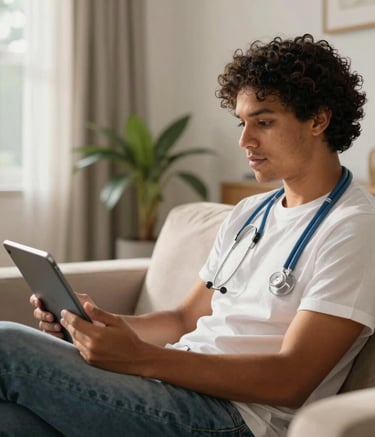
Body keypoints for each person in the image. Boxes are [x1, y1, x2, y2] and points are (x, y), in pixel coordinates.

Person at [0, 33, 374, 437]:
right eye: (243, 123)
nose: (245, 141)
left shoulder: (353, 226)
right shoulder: (251, 211)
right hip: (175, 388)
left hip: (235, 419)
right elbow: (183, 319)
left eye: (264, 122)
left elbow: (291, 379)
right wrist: (99, 327)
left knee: (5, 346)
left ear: (319, 120)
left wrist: (139, 359)